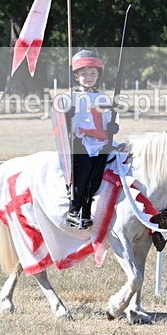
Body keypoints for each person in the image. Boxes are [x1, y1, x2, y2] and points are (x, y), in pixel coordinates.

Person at [65, 49, 119, 229]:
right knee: (84, 171)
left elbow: (107, 121)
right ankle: (74, 210)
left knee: (96, 178)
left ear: (98, 76)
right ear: (76, 76)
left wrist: (113, 127)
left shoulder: (103, 97)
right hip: (81, 143)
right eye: (84, 74)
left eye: (92, 73)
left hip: (101, 143)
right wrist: (67, 115)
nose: (89, 77)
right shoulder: (70, 97)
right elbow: (62, 125)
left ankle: (87, 212)